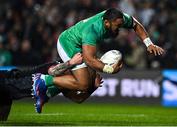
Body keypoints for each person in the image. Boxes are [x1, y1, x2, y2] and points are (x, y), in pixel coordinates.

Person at [32, 8, 164, 113]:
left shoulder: (119, 18)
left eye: (121, 24)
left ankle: (47, 93)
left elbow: (136, 25)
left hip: (81, 45)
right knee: (83, 84)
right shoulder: (93, 30)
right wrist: (109, 69)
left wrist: (149, 44)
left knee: (85, 90)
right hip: (68, 43)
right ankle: (44, 80)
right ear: (106, 23)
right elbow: (89, 59)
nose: (119, 28)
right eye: (117, 26)